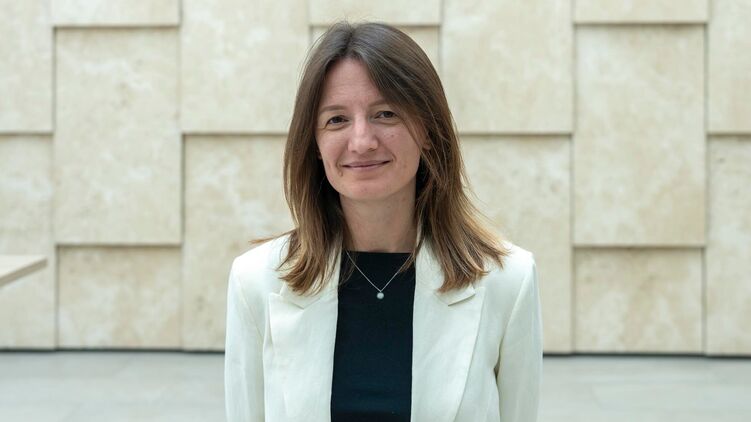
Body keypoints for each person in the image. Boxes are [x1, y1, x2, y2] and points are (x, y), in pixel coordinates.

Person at [224, 20, 543, 422]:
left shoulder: (508, 281)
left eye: (385, 114)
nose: (361, 141)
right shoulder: (256, 281)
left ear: (428, 131)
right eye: (336, 120)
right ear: (315, 144)